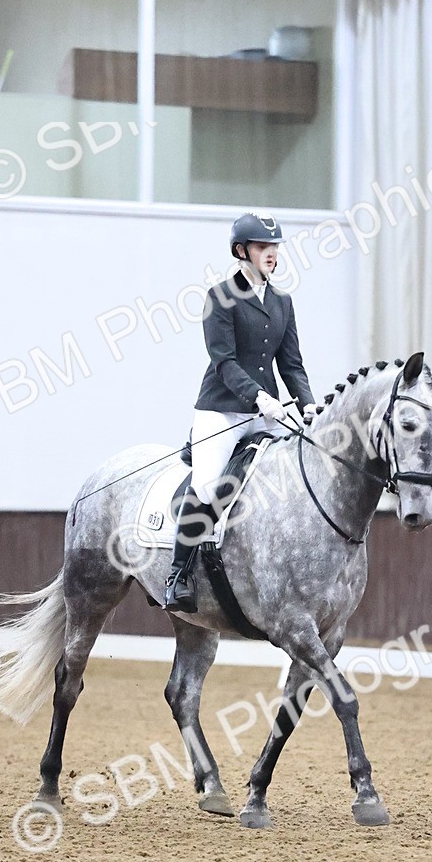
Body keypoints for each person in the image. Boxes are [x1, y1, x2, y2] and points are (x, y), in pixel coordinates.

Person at [163, 211, 316, 612]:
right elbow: (224, 362)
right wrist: (259, 397)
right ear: (241, 251)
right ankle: (178, 575)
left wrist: (308, 403)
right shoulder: (220, 297)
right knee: (207, 486)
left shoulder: (282, 301)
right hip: (223, 409)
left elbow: (292, 365)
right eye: (263, 247)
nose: (272, 254)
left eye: (274, 247)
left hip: (268, 412)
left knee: (303, 467)